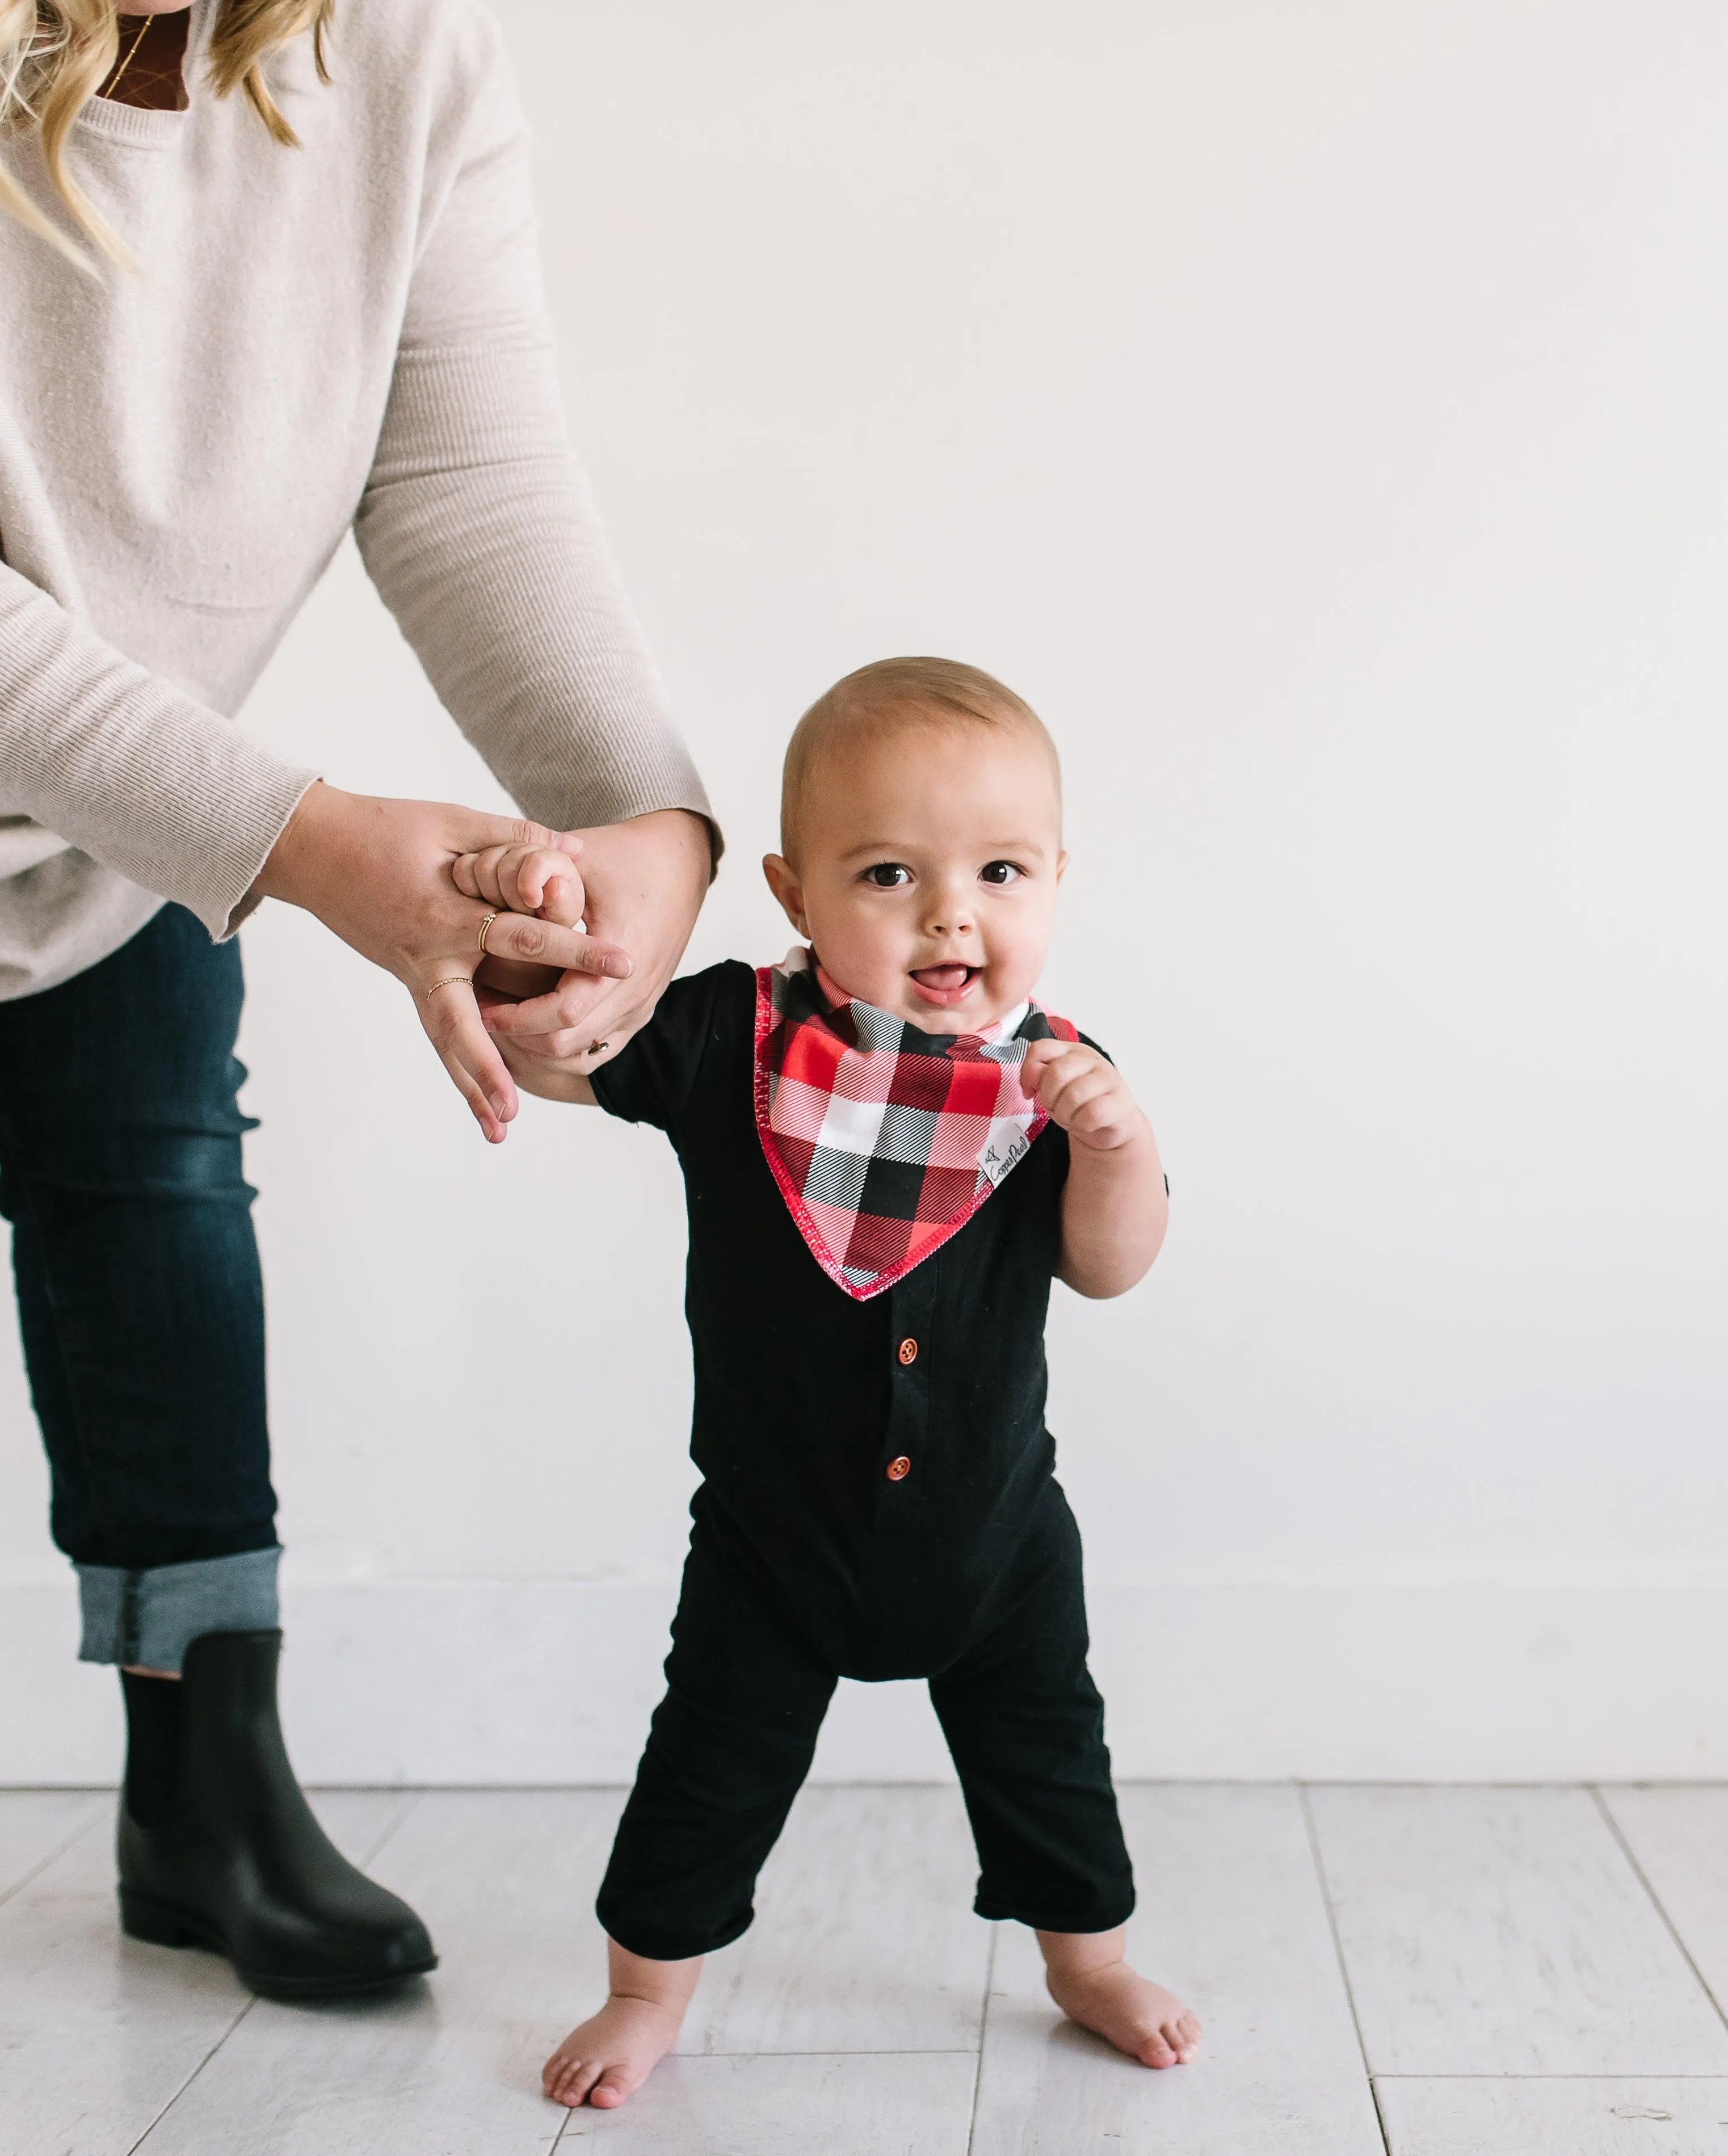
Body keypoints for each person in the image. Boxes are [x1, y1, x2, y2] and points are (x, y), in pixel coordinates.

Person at [0, 0, 713, 1997]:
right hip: (171, 807)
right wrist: (307, 844)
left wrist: (638, 826)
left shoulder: (399, 60)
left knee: (160, 1234)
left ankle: (204, 1783)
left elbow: (469, 474)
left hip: (100, 838)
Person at [456, 656, 1203, 2109]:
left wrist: (1114, 1148)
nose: (951, 913)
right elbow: (562, 1052)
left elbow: (1107, 1269)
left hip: (994, 1539)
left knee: (1050, 1755)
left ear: (1056, 876)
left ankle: (1088, 1956)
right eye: (887, 872)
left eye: (999, 869)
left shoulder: (1057, 1077)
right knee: (710, 1762)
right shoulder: (730, 1037)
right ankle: (643, 1986)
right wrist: (520, 955)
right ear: (796, 894)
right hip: (771, 1539)